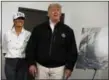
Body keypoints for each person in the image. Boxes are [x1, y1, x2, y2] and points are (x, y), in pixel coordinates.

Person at [26, 3, 78, 79]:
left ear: (60, 13)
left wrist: (69, 67)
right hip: (40, 68)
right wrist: (31, 64)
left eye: (58, 10)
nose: (56, 12)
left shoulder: (68, 31)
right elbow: (30, 48)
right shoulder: (38, 29)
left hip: (59, 69)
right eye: (53, 10)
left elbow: (72, 51)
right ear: (48, 13)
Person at [2, 12, 31, 80]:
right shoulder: (7, 34)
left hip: (22, 62)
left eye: (22, 19)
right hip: (10, 62)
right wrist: (11, 57)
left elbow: (30, 49)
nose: (20, 20)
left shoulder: (28, 34)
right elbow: (4, 50)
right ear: (14, 21)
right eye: (18, 18)